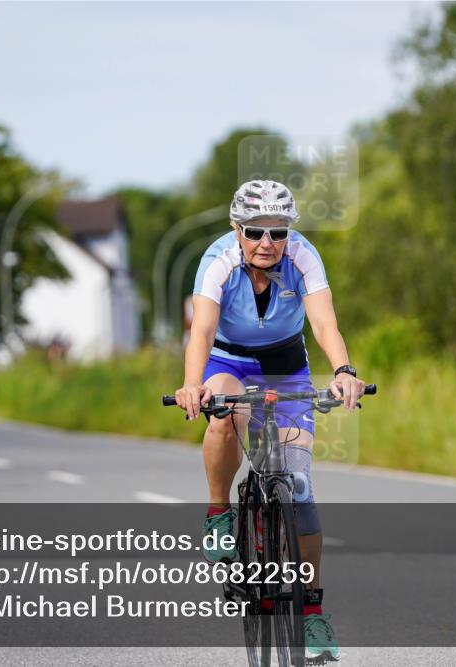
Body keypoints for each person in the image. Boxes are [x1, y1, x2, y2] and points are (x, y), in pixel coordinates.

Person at [173, 180, 366, 663]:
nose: (267, 244)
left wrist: (343, 372)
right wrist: (192, 383)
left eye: (278, 233)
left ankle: (313, 613)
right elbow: (202, 329)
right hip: (228, 365)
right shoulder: (217, 260)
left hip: (288, 366)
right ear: (237, 230)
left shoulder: (302, 256)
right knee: (222, 413)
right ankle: (220, 512)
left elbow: (323, 323)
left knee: (298, 487)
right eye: (256, 232)